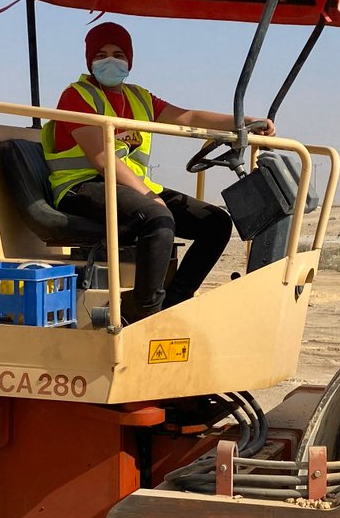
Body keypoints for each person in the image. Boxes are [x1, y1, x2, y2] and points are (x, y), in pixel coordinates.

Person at [42, 21, 273, 323]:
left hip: (128, 185)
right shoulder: (77, 97)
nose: (110, 60)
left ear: (129, 60)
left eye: (117, 54)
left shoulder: (139, 97)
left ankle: (175, 304)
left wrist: (243, 121)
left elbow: (187, 116)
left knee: (215, 223)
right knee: (158, 218)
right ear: (89, 61)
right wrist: (149, 195)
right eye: (101, 54)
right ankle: (145, 312)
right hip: (81, 188)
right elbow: (102, 160)